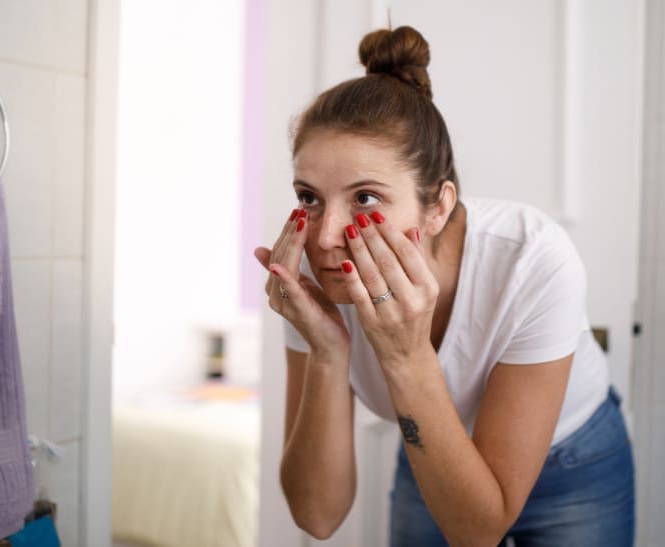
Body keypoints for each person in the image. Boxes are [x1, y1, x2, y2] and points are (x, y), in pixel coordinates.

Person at [254, 25, 634, 547]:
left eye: (365, 198)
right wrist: (325, 351)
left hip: (570, 463)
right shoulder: (314, 289)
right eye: (310, 196)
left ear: (438, 207)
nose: (324, 238)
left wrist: (405, 354)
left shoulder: (530, 261)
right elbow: (317, 516)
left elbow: (480, 531)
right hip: (431, 443)